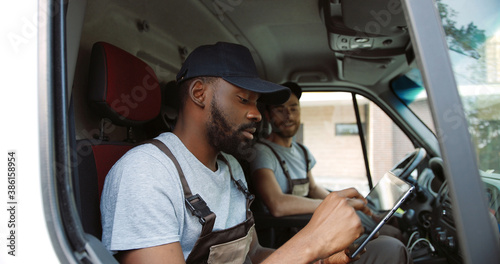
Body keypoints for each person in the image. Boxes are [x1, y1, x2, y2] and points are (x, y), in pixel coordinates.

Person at [100, 42, 408, 264]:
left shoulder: (232, 168)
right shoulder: (145, 173)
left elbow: (254, 255)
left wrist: (319, 260)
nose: (257, 114)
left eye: (257, 103)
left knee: (388, 249)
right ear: (199, 94)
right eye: (244, 99)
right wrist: (310, 244)